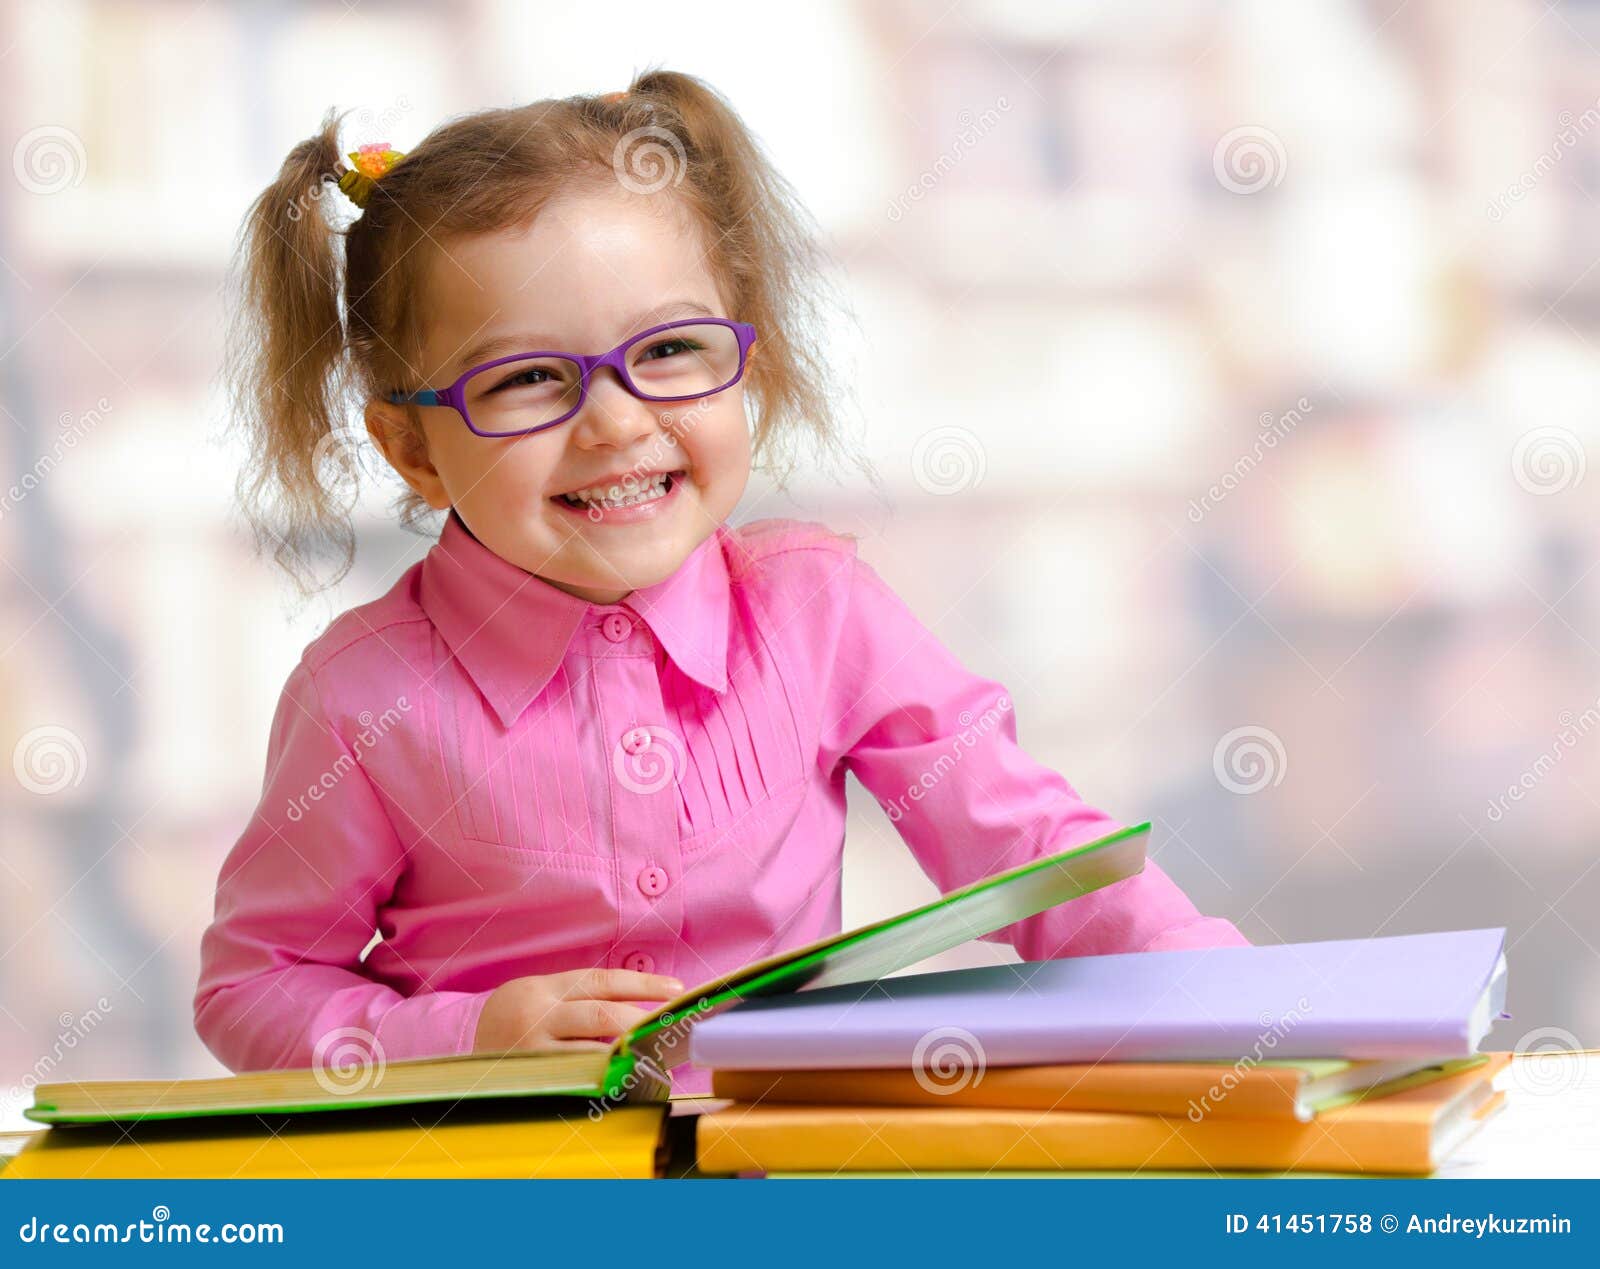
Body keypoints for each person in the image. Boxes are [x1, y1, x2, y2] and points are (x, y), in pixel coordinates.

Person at [194, 70, 1245, 1093]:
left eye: (671, 350)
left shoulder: (818, 611)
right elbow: (254, 987)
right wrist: (468, 1032)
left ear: (746, 353)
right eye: (525, 379)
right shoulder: (361, 698)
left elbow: (1027, 847)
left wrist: (1221, 995)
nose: (615, 422)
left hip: (777, 1166)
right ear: (412, 449)